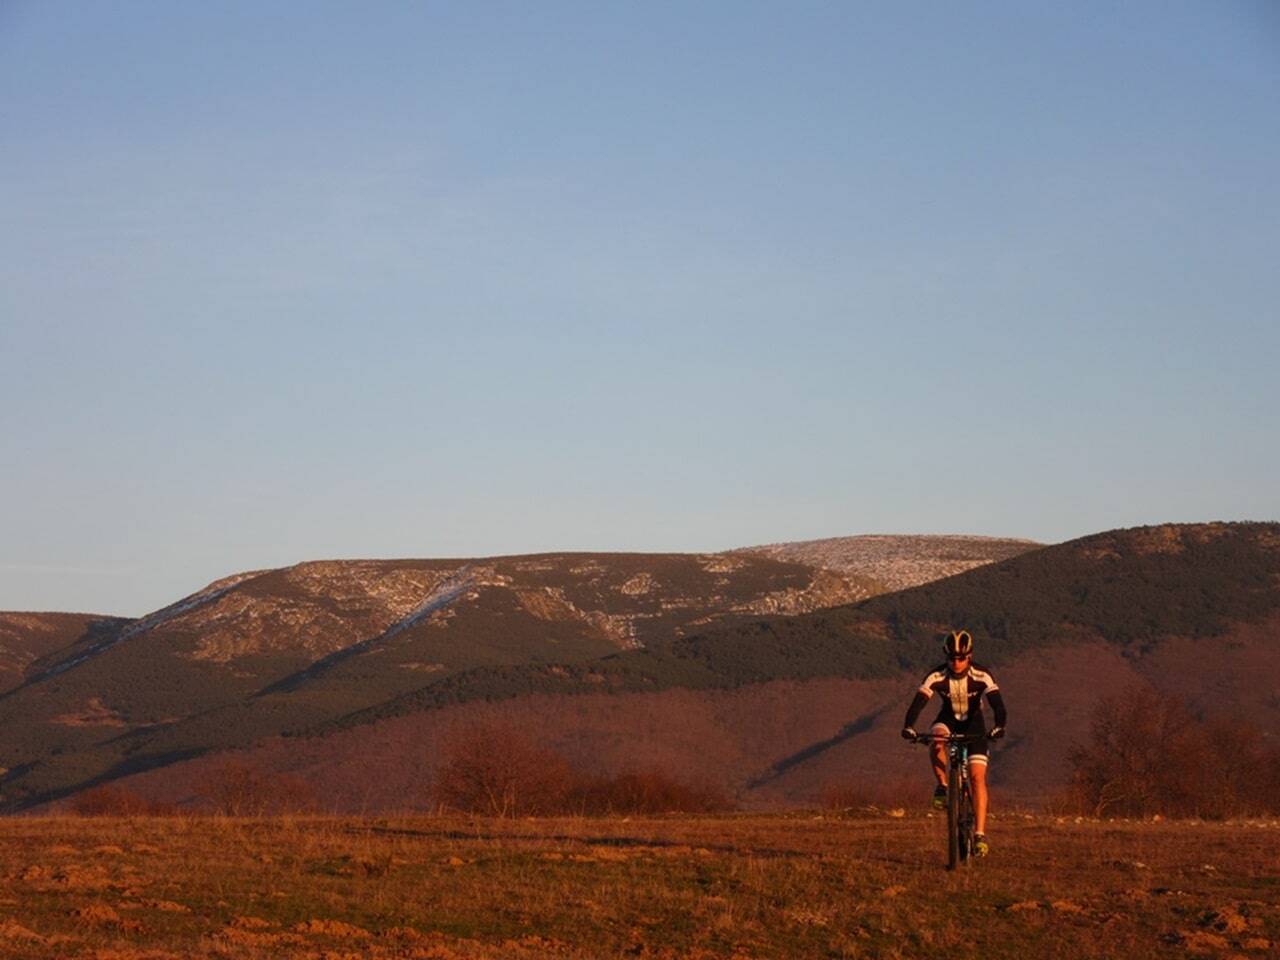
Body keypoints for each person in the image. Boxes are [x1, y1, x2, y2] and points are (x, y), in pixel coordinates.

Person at [900, 629, 1007, 856]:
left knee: (978, 778)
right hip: (948, 718)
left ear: (969, 656)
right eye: (951, 658)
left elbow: (998, 704)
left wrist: (999, 726)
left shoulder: (981, 675)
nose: (956, 662)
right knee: (936, 740)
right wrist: (908, 726)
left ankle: (979, 834)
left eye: (960, 658)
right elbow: (918, 702)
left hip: (974, 725)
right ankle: (943, 786)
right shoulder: (937, 676)